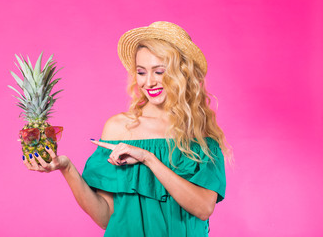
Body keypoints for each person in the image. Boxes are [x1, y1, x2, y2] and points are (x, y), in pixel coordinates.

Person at [23, 21, 231, 237]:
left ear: (182, 73)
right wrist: (66, 168)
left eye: (159, 71)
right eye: (141, 72)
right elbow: (105, 217)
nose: (149, 82)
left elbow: (204, 208)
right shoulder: (119, 128)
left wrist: (148, 158)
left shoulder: (201, 136)